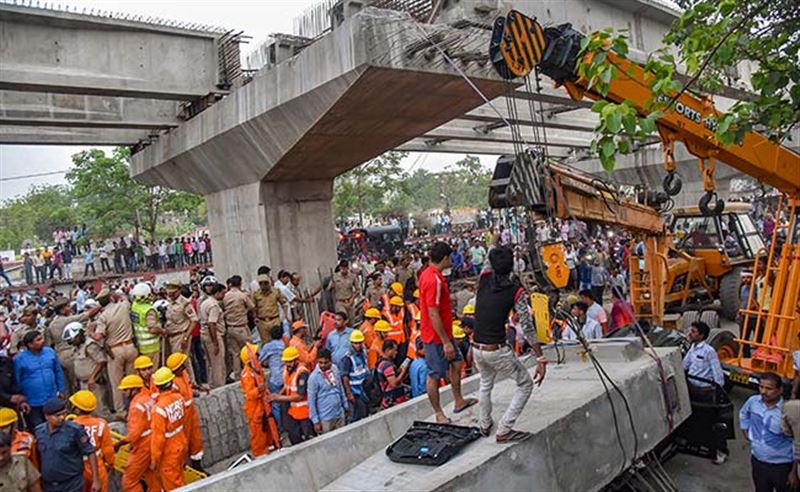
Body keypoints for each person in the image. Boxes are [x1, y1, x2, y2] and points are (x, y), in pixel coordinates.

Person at [472, 246, 547, 442]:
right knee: (525, 384)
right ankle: (504, 428)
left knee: (485, 383)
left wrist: (497, 242)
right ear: (512, 266)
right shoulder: (516, 291)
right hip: (496, 350)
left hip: (477, 347)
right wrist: (540, 357)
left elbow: (490, 256)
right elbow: (528, 326)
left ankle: (484, 424)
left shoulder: (484, 278)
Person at [419, 241, 475, 424]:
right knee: (434, 376)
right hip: (436, 337)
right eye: (450, 257)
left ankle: (458, 400)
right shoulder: (433, 279)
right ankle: (438, 413)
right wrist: (445, 341)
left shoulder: (430, 275)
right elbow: (433, 313)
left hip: (444, 333)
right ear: (444, 258)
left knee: (457, 363)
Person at [740, 372, 794, 492]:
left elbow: (797, 442)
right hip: (758, 462)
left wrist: (793, 472)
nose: (763, 392)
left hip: (782, 466)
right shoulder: (753, 402)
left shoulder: (788, 411)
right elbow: (744, 414)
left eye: (768, 388)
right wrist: (745, 430)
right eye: (761, 387)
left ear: (780, 390)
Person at [35, 397, 101, 492]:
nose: (62, 418)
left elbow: (90, 452)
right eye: (57, 415)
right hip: (48, 485)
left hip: (72, 483)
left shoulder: (74, 430)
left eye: (64, 414)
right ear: (46, 416)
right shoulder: (39, 432)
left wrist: (96, 479)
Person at [93, 289, 137, 416]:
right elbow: (125, 297)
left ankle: (121, 411)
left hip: (115, 350)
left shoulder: (103, 316)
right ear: (111, 297)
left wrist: (90, 331)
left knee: (117, 384)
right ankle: (134, 406)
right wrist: (118, 295)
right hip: (130, 346)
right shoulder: (124, 306)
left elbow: (98, 337)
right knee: (132, 380)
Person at [114, 375, 160, 492]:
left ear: (134, 389)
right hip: (153, 440)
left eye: (125, 390)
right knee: (151, 475)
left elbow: (135, 433)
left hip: (143, 445)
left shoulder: (136, 406)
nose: (123, 393)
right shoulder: (148, 397)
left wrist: (120, 444)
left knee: (129, 480)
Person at [14, 332, 65, 431]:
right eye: (38, 340)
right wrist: (21, 400)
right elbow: (17, 380)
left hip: (51, 397)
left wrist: (61, 389)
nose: (43, 341)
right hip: (32, 401)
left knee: (56, 426)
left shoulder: (50, 352)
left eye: (41, 338)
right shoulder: (20, 359)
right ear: (30, 345)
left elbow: (58, 371)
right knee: (38, 428)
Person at [47, 298, 99, 393]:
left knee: (67, 386)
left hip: (59, 356)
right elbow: (87, 315)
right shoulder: (66, 320)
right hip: (70, 354)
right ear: (62, 310)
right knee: (77, 384)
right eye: (67, 306)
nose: (70, 307)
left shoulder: (51, 324)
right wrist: (100, 304)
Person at [150, 367, 187, 491]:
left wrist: (154, 460)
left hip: (169, 451)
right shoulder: (179, 398)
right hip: (181, 442)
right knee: (180, 479)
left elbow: (158, 438)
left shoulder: (158, 409)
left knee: (173, 486)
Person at [69, 391, 115, 492]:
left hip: (77, 466)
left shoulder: (70, 425)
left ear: (76, 408)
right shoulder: (101, 424)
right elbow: (108, 449)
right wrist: (110, 464)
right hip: (97, 466)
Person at [270, 346, 315, 445]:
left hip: (305, 412)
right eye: (286, 362)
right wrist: (277, 395)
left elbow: (299, 395)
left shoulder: (302, 373)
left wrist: (280, 398)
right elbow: (287, 386)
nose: (287, 364)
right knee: (294, 437)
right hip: (293, 411)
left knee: (309, 440)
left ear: (296, 360)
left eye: (290, 362)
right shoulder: (287, 371)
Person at [165, 353, 203, 467]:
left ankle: (198, 464)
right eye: (181, 365)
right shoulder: (173, 383)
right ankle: (184, 466)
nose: (184, 367)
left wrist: (197, 388)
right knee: (183, 440)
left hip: (191, 410)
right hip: (182, 414)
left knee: (195, 438)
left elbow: (188, 386)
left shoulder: (184, 374)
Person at [64, 322, 109, 417]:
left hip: (94, 383)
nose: (72, 342)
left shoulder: (90, 345)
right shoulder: (77, 348)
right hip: (83, 383)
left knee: (99, 410)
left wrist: (92, 377)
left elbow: (101, 361)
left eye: (73, 339)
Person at [240, 344, 275, 457]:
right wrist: (258, 390)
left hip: (263, 404)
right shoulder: (247, 375)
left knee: (267, 427)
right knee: (258, 433)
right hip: (254, 408)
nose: (258, 355)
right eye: (256, 354)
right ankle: (260, 454)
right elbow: (249, 394)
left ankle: (270, 447)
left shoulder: (256, 369)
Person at [164, 279, 198, 381]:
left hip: (181, 335)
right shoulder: (169, 302)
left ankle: (190, 383)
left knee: (183, 361)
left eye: (173, 293)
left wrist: (186, 337)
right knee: (175, 361)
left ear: (179, 290)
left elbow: (194, 320)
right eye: (170, 293)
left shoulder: (185, 303)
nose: (171, 295)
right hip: (171, 336)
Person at [307, 348, 348, 435]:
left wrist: (345, 405)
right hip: (325, 417)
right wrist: (315, 421)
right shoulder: (313, 378)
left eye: (326, 363)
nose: (323, 365)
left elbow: (340, 388)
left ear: (330, 361)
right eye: (320, 363)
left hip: (339, 413)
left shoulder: (335, 369)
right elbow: (311, 401)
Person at [223, 276, 254, 378]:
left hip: (230, 327)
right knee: (248, 350)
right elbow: (252, 306)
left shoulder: (226, 296)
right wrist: (244, 311)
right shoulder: (242, 295)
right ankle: (250, 371)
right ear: (240, 283)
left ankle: (237, 375)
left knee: (235, 353)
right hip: (241, 327)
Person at [199, 283, 227, 389]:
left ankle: (211, 384)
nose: (224, 295)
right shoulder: (214, 305)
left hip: (205, 335)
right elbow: (212, 323)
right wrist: (215, 343)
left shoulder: (205, 303)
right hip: (213, 336)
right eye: (223, 293)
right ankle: (220, 386)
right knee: (218, 364)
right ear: (218, 292)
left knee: (210, 363)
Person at [259, 325, 287, 430]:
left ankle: (280, 428)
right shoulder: (284, 344)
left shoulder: (268, 346)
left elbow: (261, 360)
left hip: (275, 378)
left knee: (276, 404)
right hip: (285, 376)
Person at [130, 285, 164, 368]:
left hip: (140, 345)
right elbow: (152, 329)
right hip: (151, 347)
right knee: (152, 371)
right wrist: (163, 331)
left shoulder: (134, 306)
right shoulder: (149, 310)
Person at [340, 330, 370, 423]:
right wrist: (349, 393)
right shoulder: (348, 357)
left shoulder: (363, 352)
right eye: (356, 343)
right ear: (351, 343)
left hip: (364, 387)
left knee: (366, 412)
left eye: (360, 343)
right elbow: (345, 376)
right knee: (357, 415)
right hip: (355, 391)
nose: (358, 345)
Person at [251, 275, 287, 345]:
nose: (263, 285)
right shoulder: (256, 294)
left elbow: (284, 303)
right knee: (266, 343)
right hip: (262, 321)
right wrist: (255, 317)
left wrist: (283, 317)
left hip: (274, 320)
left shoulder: (276, 292)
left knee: (277, 341)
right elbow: (253, 307)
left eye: (265, 283)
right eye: (261, 283)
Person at [376, 340, 409, 409]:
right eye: (395, 350)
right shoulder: (387, 365)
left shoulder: (382, 363)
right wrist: (403, 371)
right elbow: (393, 383)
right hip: (393, 400)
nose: (396, 353)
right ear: (388, 350)